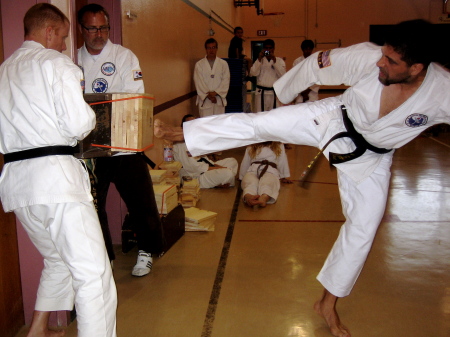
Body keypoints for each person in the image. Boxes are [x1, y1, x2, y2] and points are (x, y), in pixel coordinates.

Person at [182, 19, 450, 337]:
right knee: (261, 124)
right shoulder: (368, 58)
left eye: (391, 61)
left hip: (373, 157)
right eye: (384, 54)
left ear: (418, 67)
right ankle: (184, 134)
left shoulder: (443, 92)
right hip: (332, 120)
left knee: (363, 229)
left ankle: (327, 303)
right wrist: (285, 93)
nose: (381, 61)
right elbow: (316, 64)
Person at [0, 3, 117, 336]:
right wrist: (94, 116)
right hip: (56, 182)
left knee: (57, 259)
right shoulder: (55, 62)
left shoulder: (3, 70)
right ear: (49, 32)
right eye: (64, 36)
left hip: (18, 188)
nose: (66, 45)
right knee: (93, 276)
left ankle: (37, 329)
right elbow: (79, 123)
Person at [77, 3, 163, 277]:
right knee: (91, 205)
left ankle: (147, 250)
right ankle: (105, 257)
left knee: (141, 201)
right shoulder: (72, 60)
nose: (99, 33)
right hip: (89, 149)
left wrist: (93, 107)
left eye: (103, 27)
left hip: (124, 145)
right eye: (92, 28)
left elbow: (133, 97)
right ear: (81, 29)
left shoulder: (125, 57)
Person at [173, 114, 238, 188]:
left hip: (204, 168)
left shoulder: (194, 140)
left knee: (232, 161)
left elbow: (205, 159)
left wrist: (217, 166)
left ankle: (222, 182)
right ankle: (223, 181)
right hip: (195, 177)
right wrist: (220, 168)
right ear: (183, 127)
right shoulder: (181, 144)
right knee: (228, 173)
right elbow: (194, 168)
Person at [239, 142, 292, 207]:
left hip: (270, 170)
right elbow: (246, 162)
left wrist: (284, 176)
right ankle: (249, 196)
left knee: (268, 182)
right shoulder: (251, 145)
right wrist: (243, 176)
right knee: (250, 181)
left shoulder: (278, 145)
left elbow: (282, 161)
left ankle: (264, 197)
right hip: (252, 170)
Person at [194, 38, 230, 117]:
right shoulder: (199, 64)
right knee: (206, 125)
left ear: (217, 49)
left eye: (213, 47)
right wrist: (209, 95)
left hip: (219, 99)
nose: (211, 50)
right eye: (209, 48)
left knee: (219, 125)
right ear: (206, 49)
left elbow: (225, 81)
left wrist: (216, 93)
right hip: (205, 100)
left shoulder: (223, 64)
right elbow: (199, 82)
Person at [249, 39, 286, 112]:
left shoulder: (279, 61)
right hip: (261, 93)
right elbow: (253, 73)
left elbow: (283, 75)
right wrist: (259, 58)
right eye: (266, 48)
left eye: (270, 48)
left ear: (274, 49)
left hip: (274, 94)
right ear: (263, 49)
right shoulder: (260, 60)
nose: (268, 50)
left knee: (275, 116)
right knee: (260, 116)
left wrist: (274, 61)